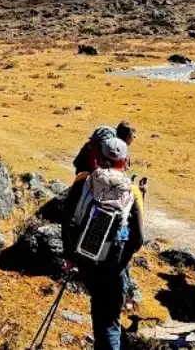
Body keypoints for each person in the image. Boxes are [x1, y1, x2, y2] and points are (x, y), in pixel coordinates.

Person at [64, 138, 145, 350]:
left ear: (99, 158)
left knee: (99, 312)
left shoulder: (84, 181)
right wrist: (121, 261)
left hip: (87, 258)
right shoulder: (132, 191)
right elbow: (138, 238)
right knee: (110, 320)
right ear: (125, 161)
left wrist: (72, 255)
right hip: (115, 263)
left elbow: (69, 220)